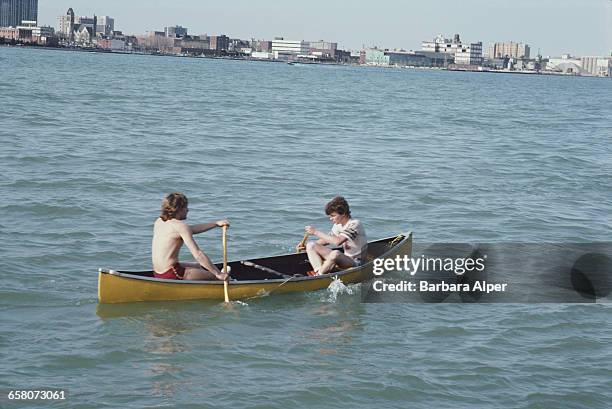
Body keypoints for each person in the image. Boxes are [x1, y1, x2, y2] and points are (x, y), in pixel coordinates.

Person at [152, 192, 229, 281]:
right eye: (186, 207)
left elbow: (191, 229)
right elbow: (198, 254)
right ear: (179, 209)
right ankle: (225, 278)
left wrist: (215, 224)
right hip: (172, 273)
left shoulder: (159, 221)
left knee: (198, 266)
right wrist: (218, 274)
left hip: (157, 272)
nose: (188, 210)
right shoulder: (181, 226)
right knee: (214, 276)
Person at [300, 196, 367, 276]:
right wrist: (305, 247)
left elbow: (337, 241)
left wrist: (315, 232)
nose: (331, 219)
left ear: (343, 214)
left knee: (335, 253)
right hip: (345, 259)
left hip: (356, 262)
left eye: (333, 216)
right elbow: (326, 240)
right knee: (311, 245)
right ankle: (318, 270)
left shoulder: (355, 224)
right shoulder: (338, 225)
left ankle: (319, 275)